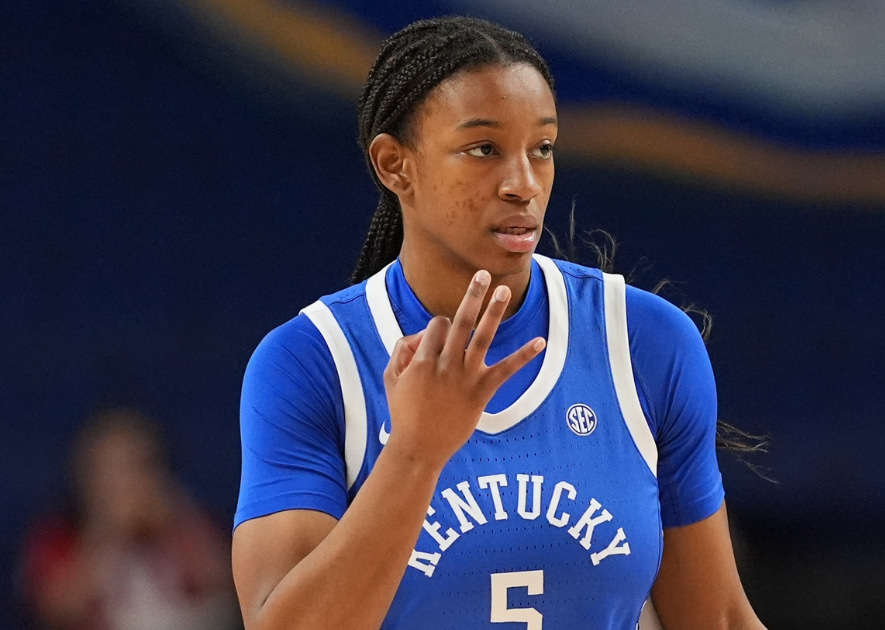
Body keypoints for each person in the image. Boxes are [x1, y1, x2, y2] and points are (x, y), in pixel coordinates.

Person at [232, 15, 765, 630]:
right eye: (484, 149)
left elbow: (718, 619)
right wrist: (414, 454)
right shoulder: (312, 363)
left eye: (542, 149)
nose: (524, 184)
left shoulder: (644, 343)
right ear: (394, 164)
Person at [17, 408, 238, 630]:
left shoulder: (190, 523)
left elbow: (231, 589)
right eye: (112, 470)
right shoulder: (58, 537)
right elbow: (56, 611)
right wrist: (109, 535)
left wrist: (179, 520)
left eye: (139, 465)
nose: (128, 482)